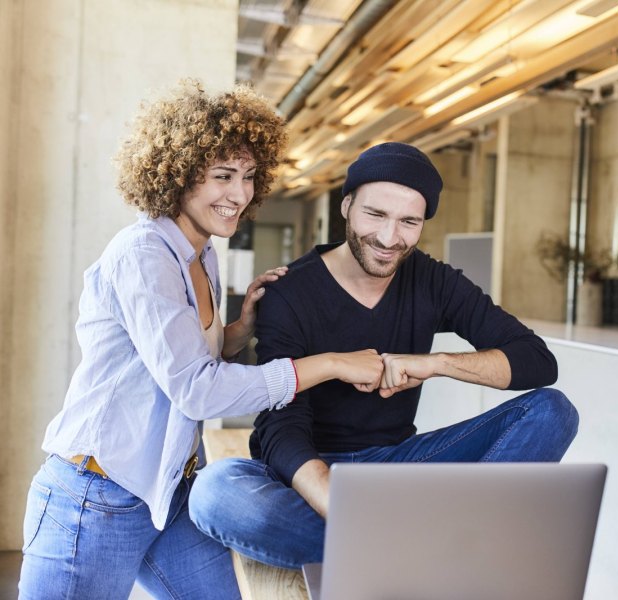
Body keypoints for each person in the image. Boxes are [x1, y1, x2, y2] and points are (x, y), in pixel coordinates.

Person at [18, 81, 384, 600]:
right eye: (222, 176)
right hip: (95, 498)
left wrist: (242, 328)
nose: (239, 194)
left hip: (166, 491)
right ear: (177, 173)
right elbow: (195, 389)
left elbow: (186, 358)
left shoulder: (201, 254)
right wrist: (329, 364)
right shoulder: (144, 254)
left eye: (250, 177)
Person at [189, 142, 579, 570]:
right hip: (309, 470)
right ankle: (440, 545)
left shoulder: (432, 280)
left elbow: (537, 361)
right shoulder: (288, 291)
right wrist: (339, 504)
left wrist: (436, 364)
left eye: (408, 221)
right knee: (216, 493)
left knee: (552, 411)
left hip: (398, 466)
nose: (390, 238)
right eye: (375, 215)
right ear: (347, 205)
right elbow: (282, 426)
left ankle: (400, 542)